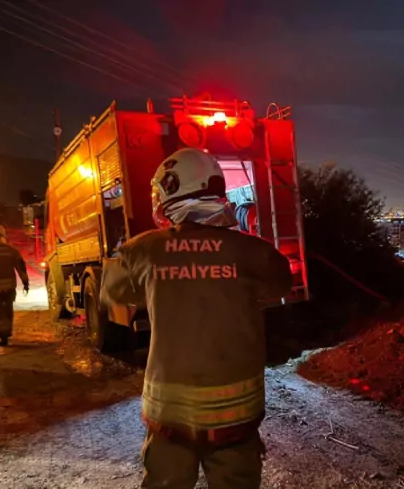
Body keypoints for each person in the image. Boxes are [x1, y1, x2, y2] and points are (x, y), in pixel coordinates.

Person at [101, 147, 293, 489]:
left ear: (170, 191)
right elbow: (280, 285)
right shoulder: (256, 252)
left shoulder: (139, 250)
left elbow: (113, 295)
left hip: (169, 419)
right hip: (237, 419)